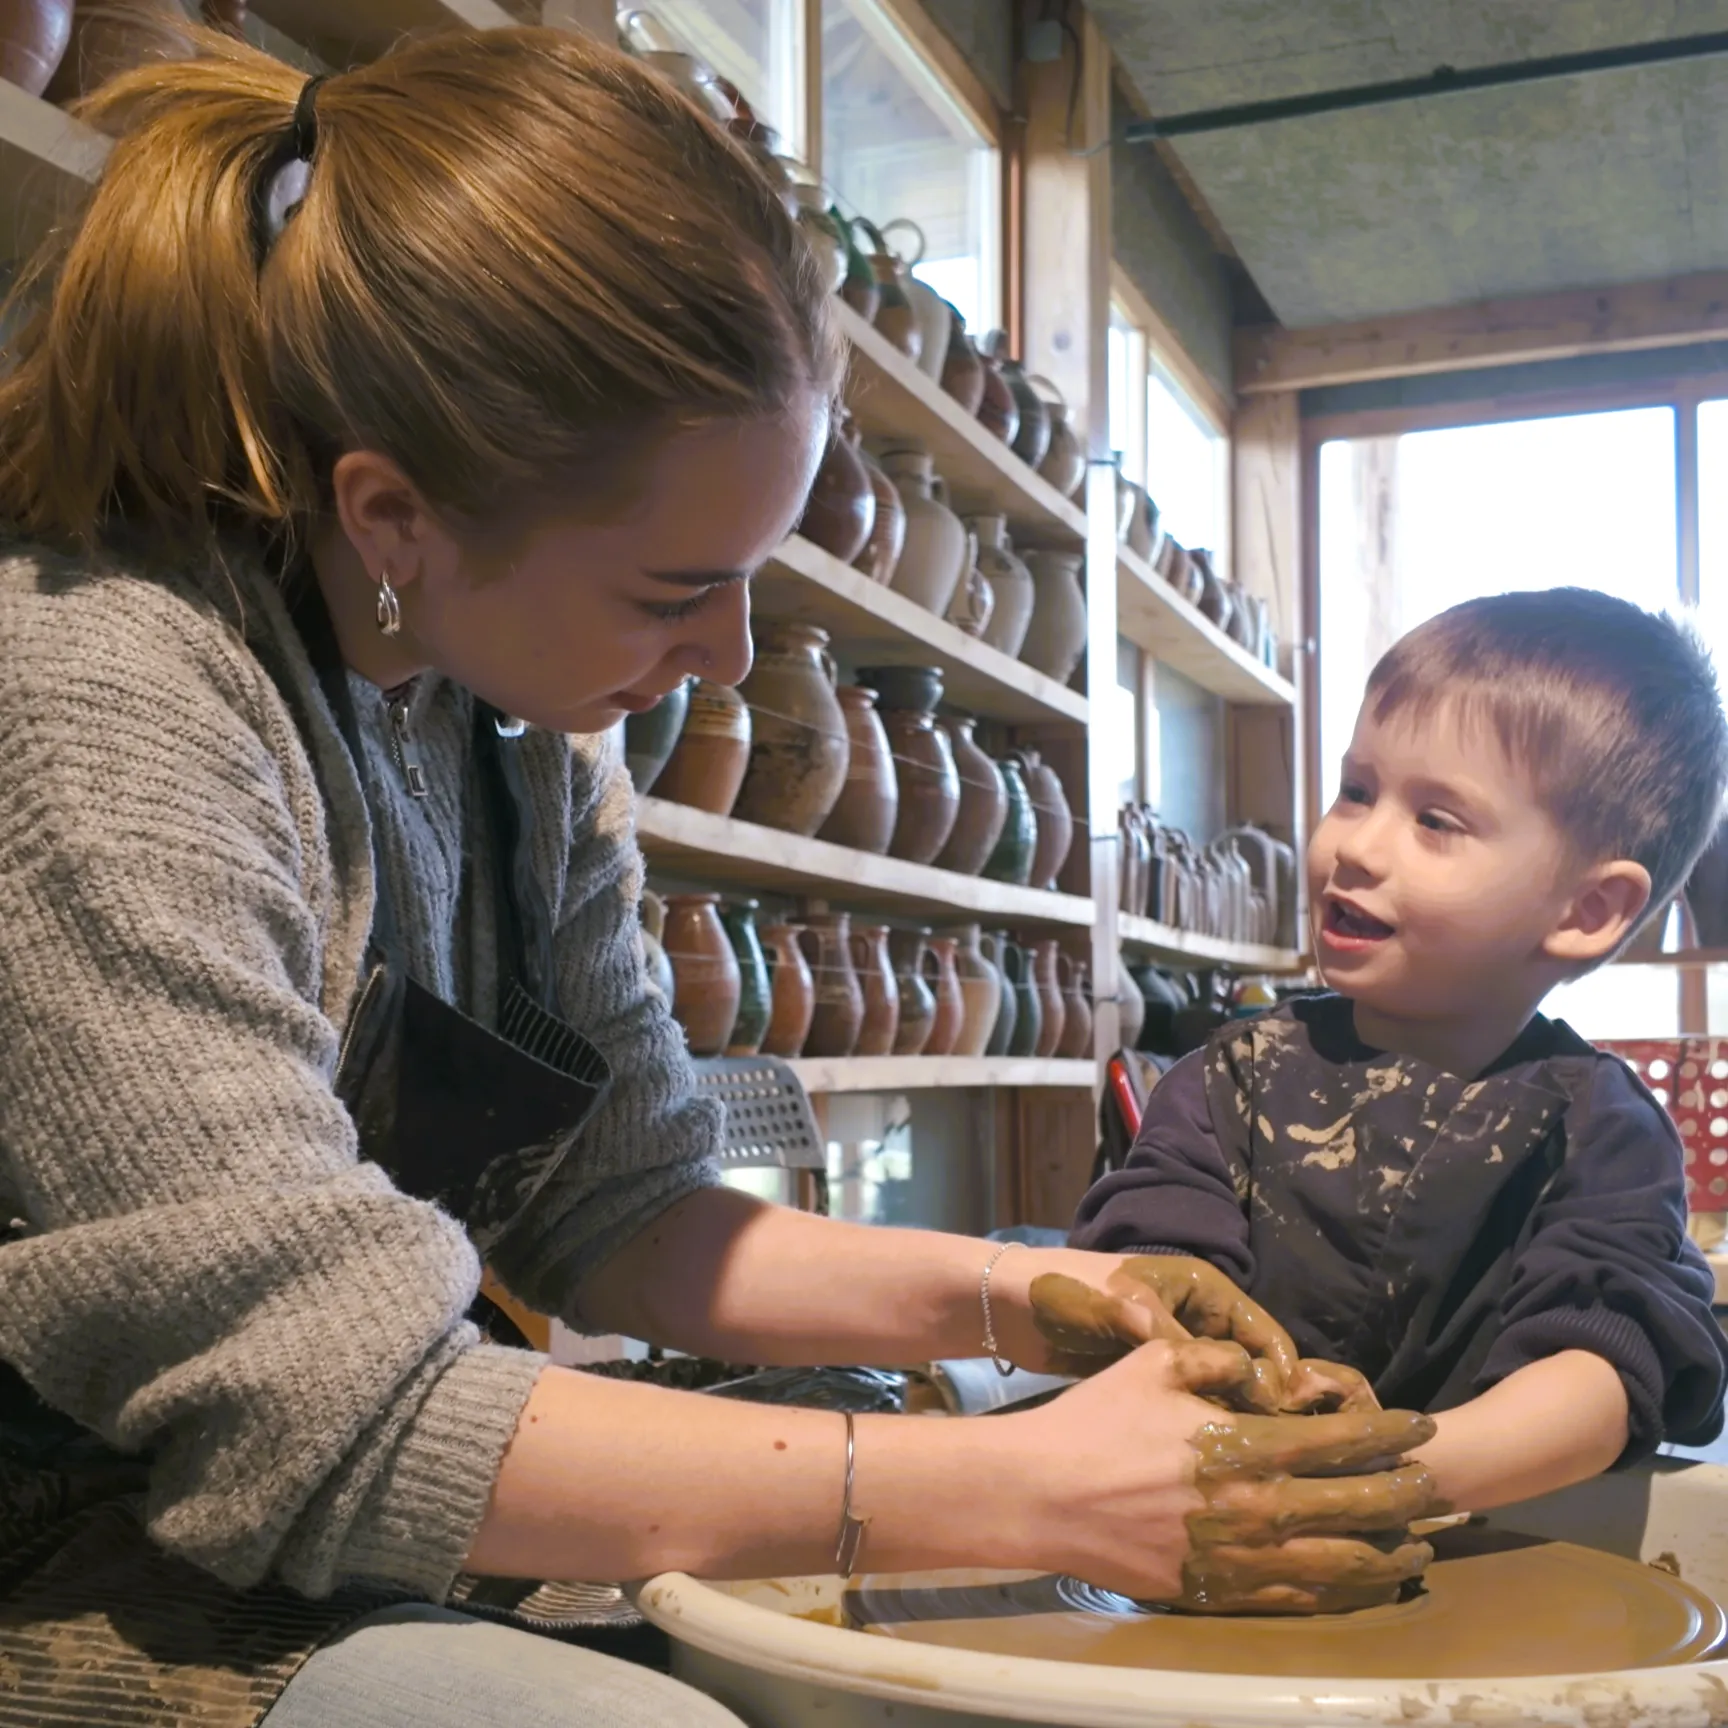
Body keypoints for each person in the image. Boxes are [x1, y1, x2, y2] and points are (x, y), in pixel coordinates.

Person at [0, 20, 1435, 1728]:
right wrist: (1038, 1485)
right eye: (674, 586)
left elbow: (615, 1211)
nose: (728, 650)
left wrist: (1022, 1290)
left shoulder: (518, 739)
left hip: (318, 1507)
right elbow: (342, 1409)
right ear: (394, 518)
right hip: (75, 1548)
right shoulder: (103, 711)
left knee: (955, 1583)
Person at [1070, 589, 1728, 1515]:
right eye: (1357, 790)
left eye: (1437, 822)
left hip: (1483, 1535)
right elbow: (1150, 1280)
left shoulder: (1598, 1130)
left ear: (1585, 912)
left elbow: (1606, 1364)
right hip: (1212, 1510)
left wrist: (1392, 1472)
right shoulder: (1226, 1082)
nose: (1356, 847)